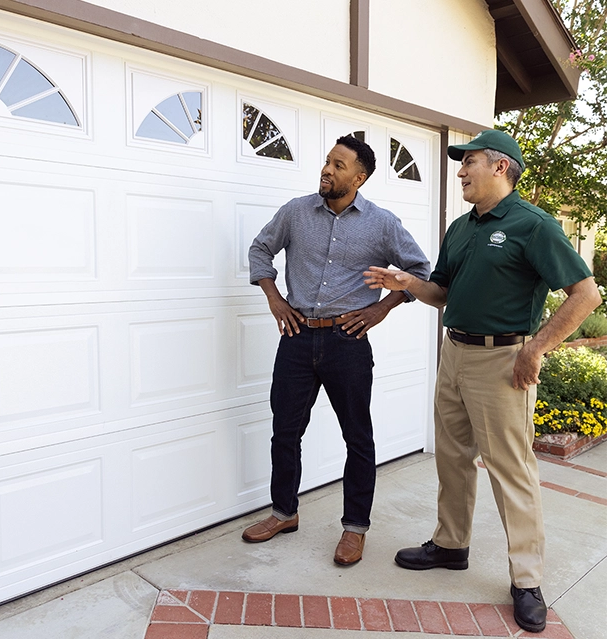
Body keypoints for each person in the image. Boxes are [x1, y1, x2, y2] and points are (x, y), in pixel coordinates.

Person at [364, 129, 601, 633]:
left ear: (500, 167)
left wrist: (536, 349)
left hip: (503, 362)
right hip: (455, 353)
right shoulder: (461, 227)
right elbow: (441, 293)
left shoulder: (533, 225)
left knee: (511, 470)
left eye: (468, 162)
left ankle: (527, 580)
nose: (459, 171)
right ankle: (451, 545)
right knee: (451, 457)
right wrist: (408, 283)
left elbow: (586, 295)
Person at [242, 135, 430, 565]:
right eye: (327, 161)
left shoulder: (382, 224)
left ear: (359, 177)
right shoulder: (295, 212)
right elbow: (260, 249)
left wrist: (382, 308)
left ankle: (355, 528)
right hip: (296, 336)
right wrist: (274, 299)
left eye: (339, 165)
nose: (327, 170)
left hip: (348, 342)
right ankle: (283, 513)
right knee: (285, 432)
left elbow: (419, 271)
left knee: (357, 437)